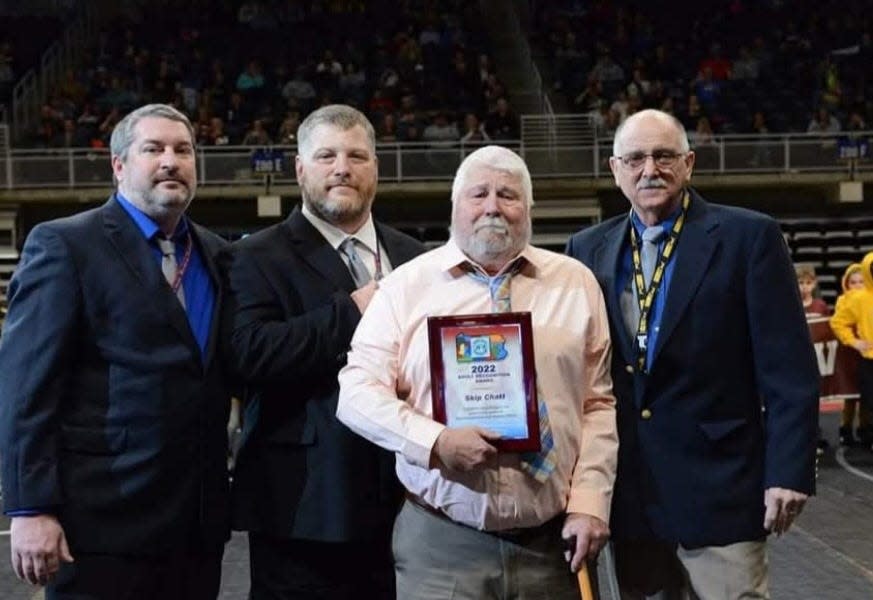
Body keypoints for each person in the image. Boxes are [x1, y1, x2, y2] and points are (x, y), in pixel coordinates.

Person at [337, 145, 618, 599]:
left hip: (554, 544)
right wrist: (435, 441)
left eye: (508, 195)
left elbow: (598, 404)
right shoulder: (405, 286)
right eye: (478, 194)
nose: (492, 207)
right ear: (455, 206)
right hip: (442, 544)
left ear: (528, 208)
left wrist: (590, 503)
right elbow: (355, 392)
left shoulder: (575, 283)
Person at [565, 109, 819, 599]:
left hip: (722, 488)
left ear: (689, 163)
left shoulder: (749, 238)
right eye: (635, 159)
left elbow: (788, 370)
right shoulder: (586, 249)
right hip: (631, 498)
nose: (650, 170)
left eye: (664, 156)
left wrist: (789, 472)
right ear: (615, 169)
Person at [0, 103, 232, 598]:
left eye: (183, 150)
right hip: (100, 522)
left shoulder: (216, 253)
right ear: (119, 165)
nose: (170, 161)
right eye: (154, 149)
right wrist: (30, 507)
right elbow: (26, 388)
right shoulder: (66, 245)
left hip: (196, 524)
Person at [222, 104, 425, 600]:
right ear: (299, 169)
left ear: (376, 167)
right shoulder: (253, 255)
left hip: (411, 501)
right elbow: (249, 353)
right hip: (305, 507)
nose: (342, 168)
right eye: (326, 156)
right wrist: (353, 311)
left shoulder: (416, 257)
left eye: (357, 156)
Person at [831, 252, 873, 451]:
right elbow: (838, 322)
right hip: (866, 359)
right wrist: (854, 341)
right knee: (865, 399)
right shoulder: (857, 299)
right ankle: (859, 432)